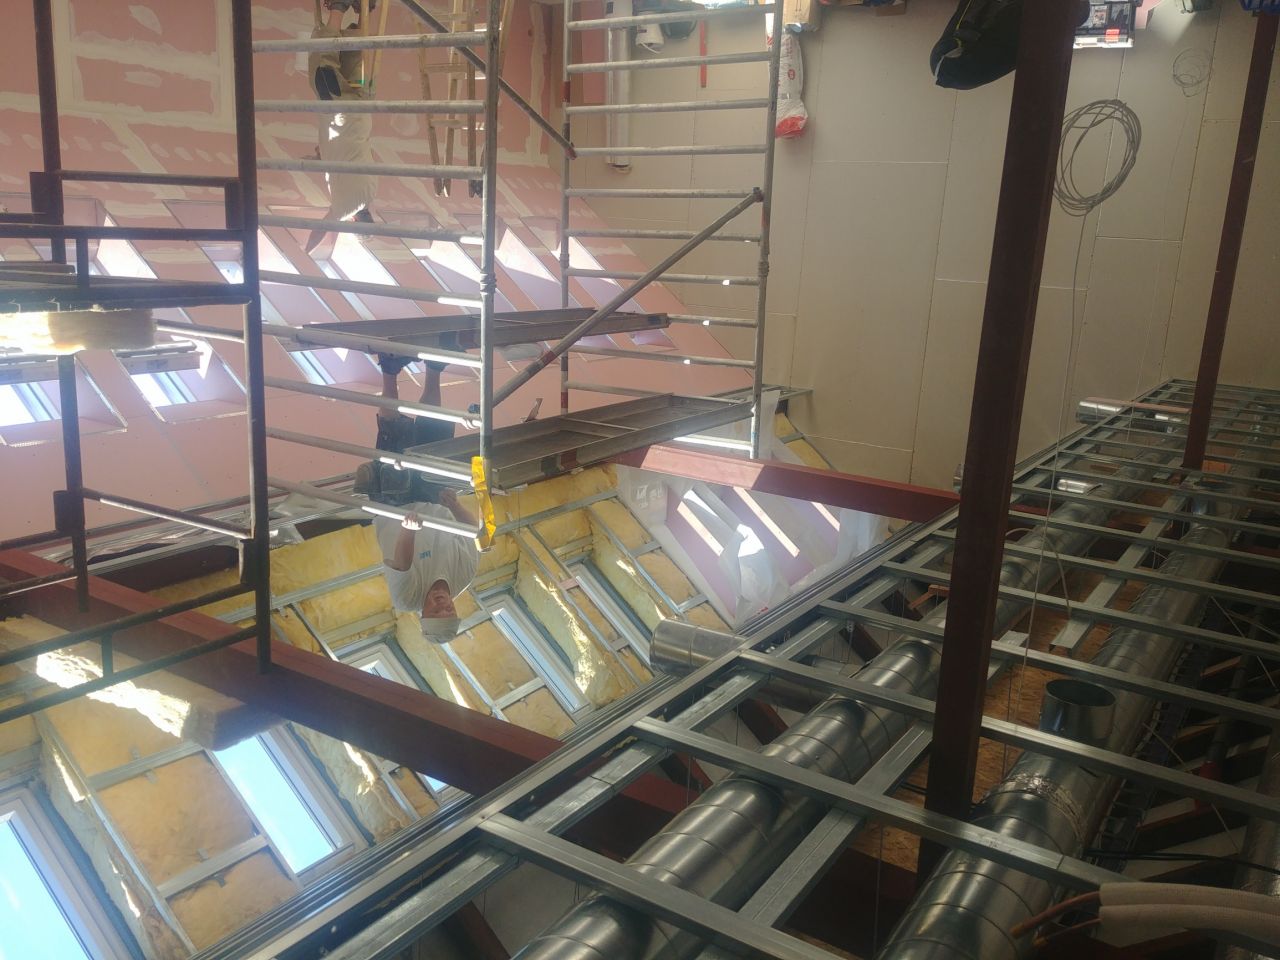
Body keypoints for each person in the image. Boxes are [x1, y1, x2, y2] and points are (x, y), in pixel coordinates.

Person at [370, 354, 477, 642]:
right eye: (449, 610)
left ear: (423, 615)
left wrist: (408, 529)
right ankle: (433, 368)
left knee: (393, 433)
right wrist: (456, 506)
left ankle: (389, 369)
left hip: (395, 507)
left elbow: (402, 564)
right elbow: (471, 531)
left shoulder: (407, 599)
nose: (442, 604)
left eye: (436, 611)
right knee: (434, 431)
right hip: (434, 499)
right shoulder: (463, 576)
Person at [305, 0, 378, 254]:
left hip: (361, 114)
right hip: (339, 113)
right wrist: (306, 253)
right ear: (354, 222)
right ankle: (338, 6)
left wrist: (325, 155)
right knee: (322, 65)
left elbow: (365, 155)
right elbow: (321, 229)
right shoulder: (346, 209)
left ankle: (364, 11)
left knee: (353, 61)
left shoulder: (371, 191)